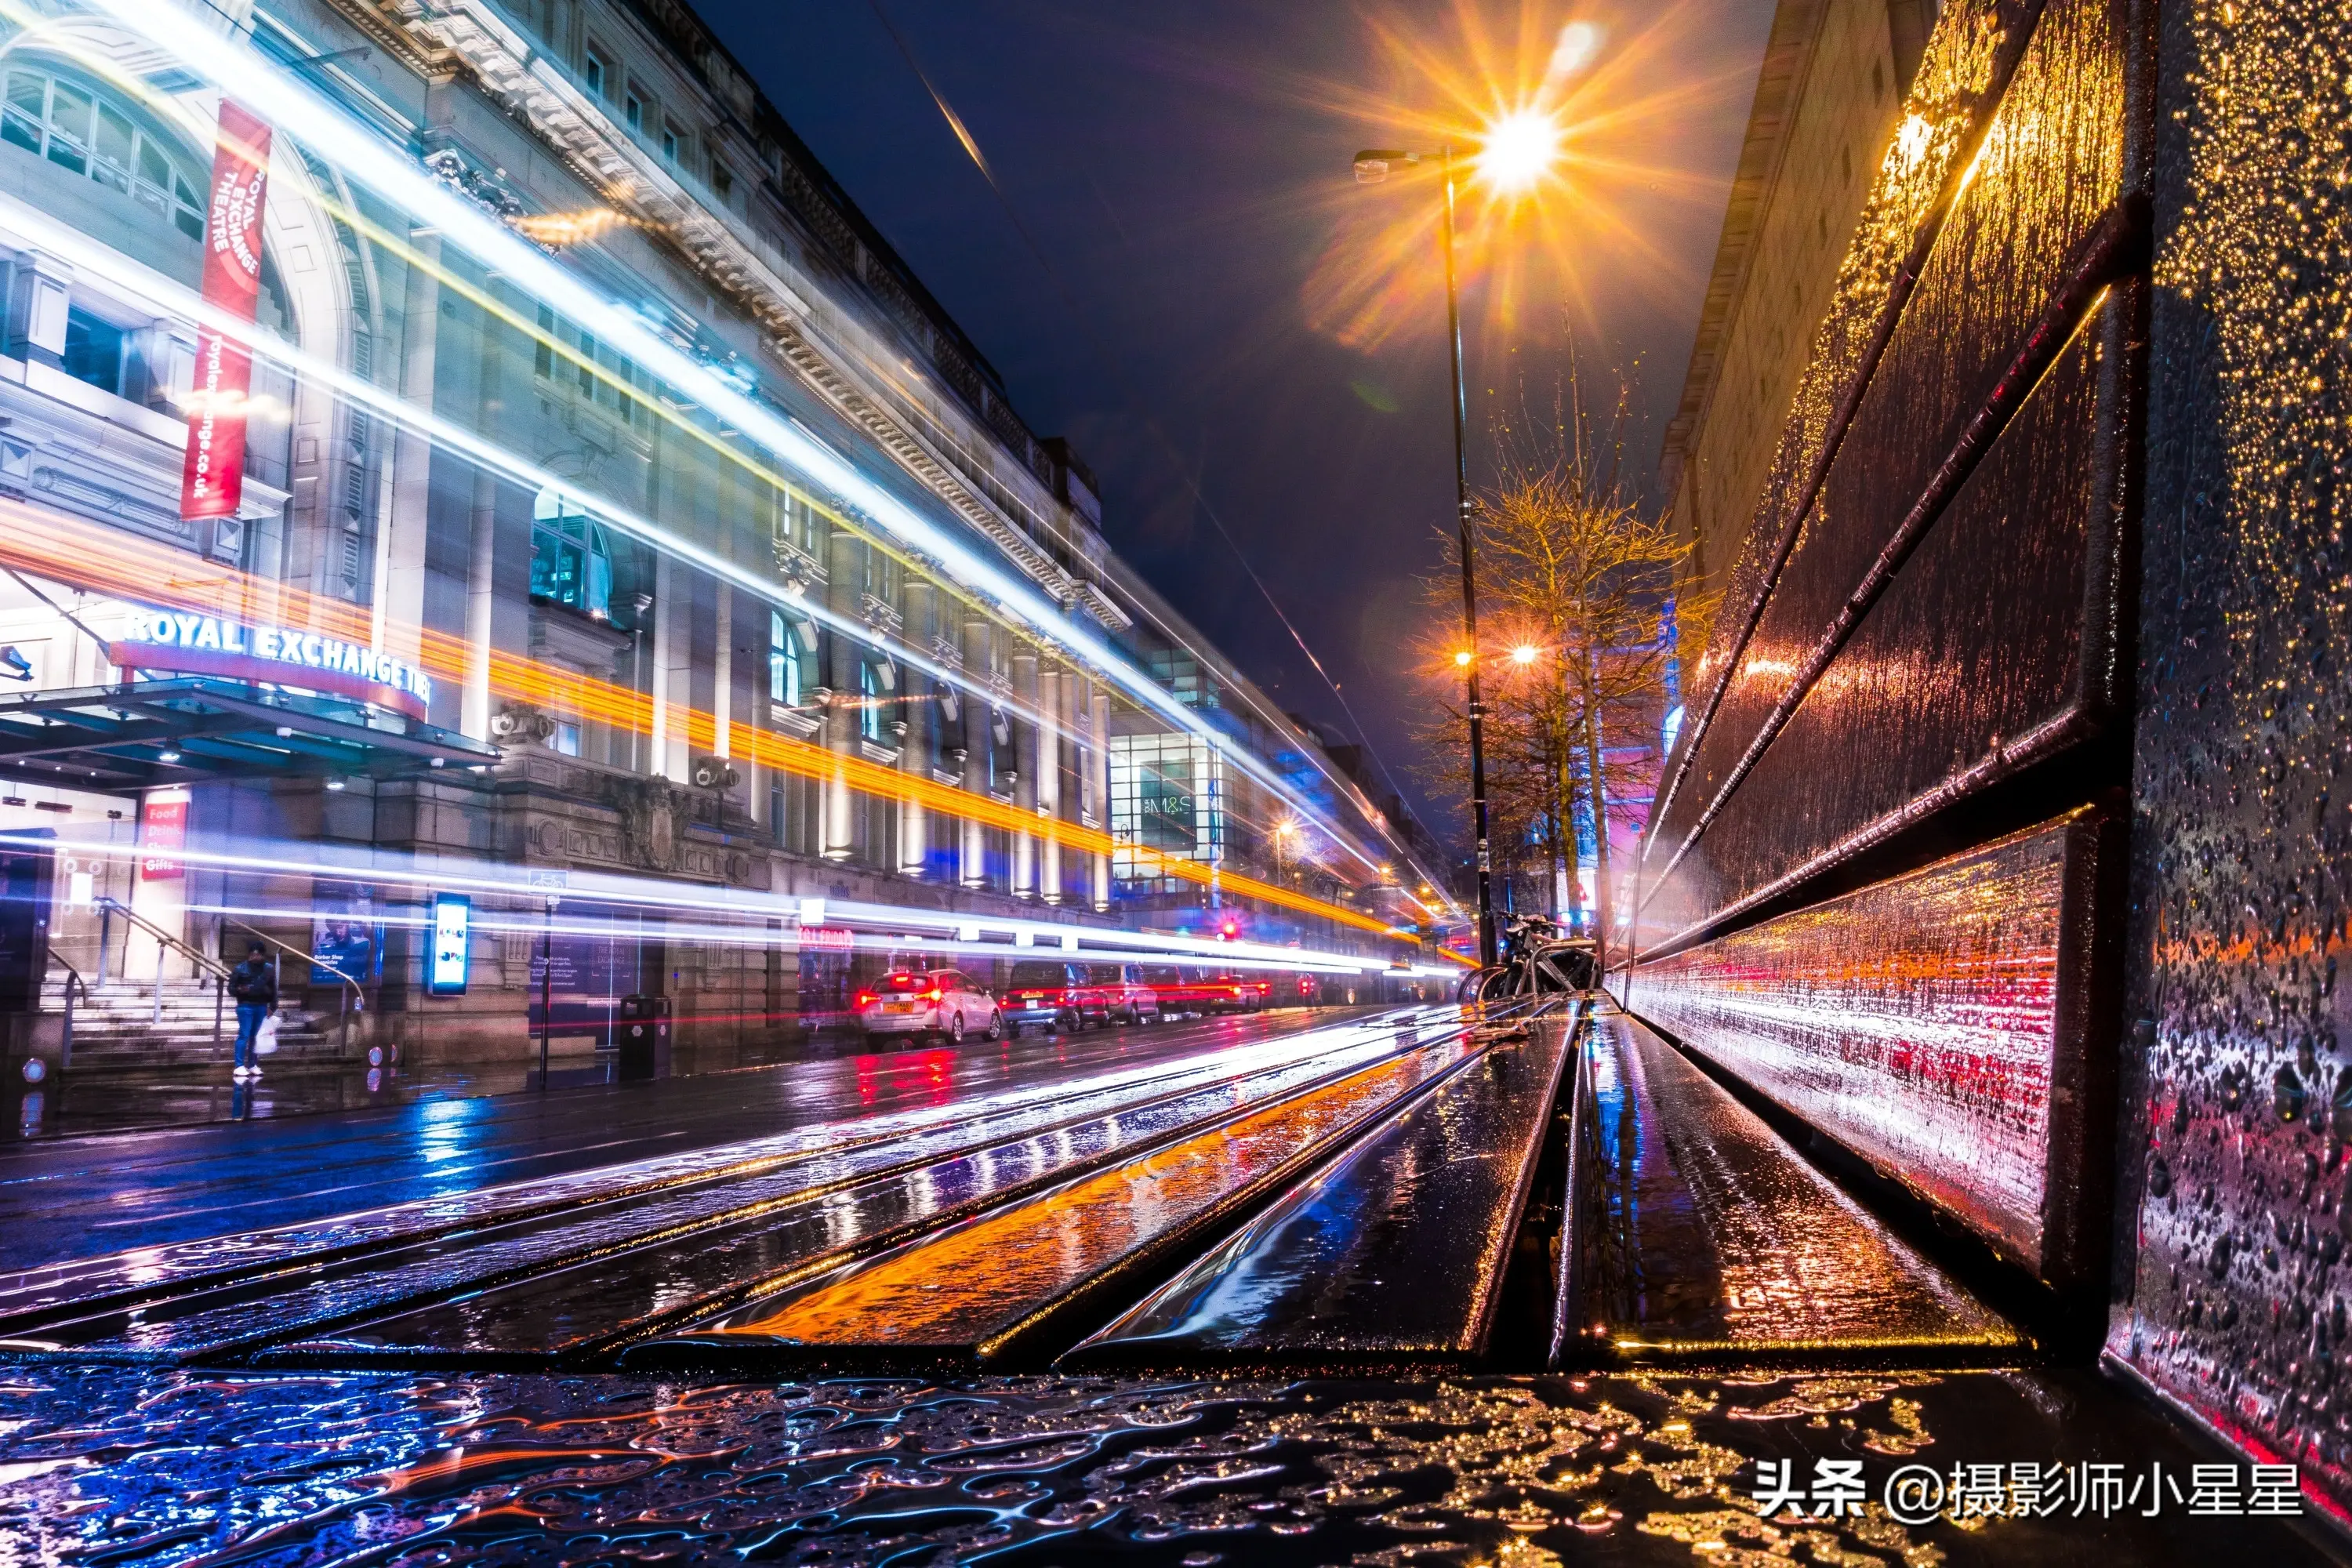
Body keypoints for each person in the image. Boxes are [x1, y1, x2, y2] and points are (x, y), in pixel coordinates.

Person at [228, 942, 277, 1080]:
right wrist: (239, 990)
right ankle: (239, 1065)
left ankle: (252, 1064)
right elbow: (231, 988)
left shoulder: (268, 969)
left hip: (261, 1005)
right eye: (252, 954)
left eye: (257, 954)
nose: (255, 957)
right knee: (244, 1035)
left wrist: (273, 1006)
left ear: (262, 955)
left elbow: (273, 988)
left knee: (256, 1036)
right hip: (245, 1005)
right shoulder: (240, 968)